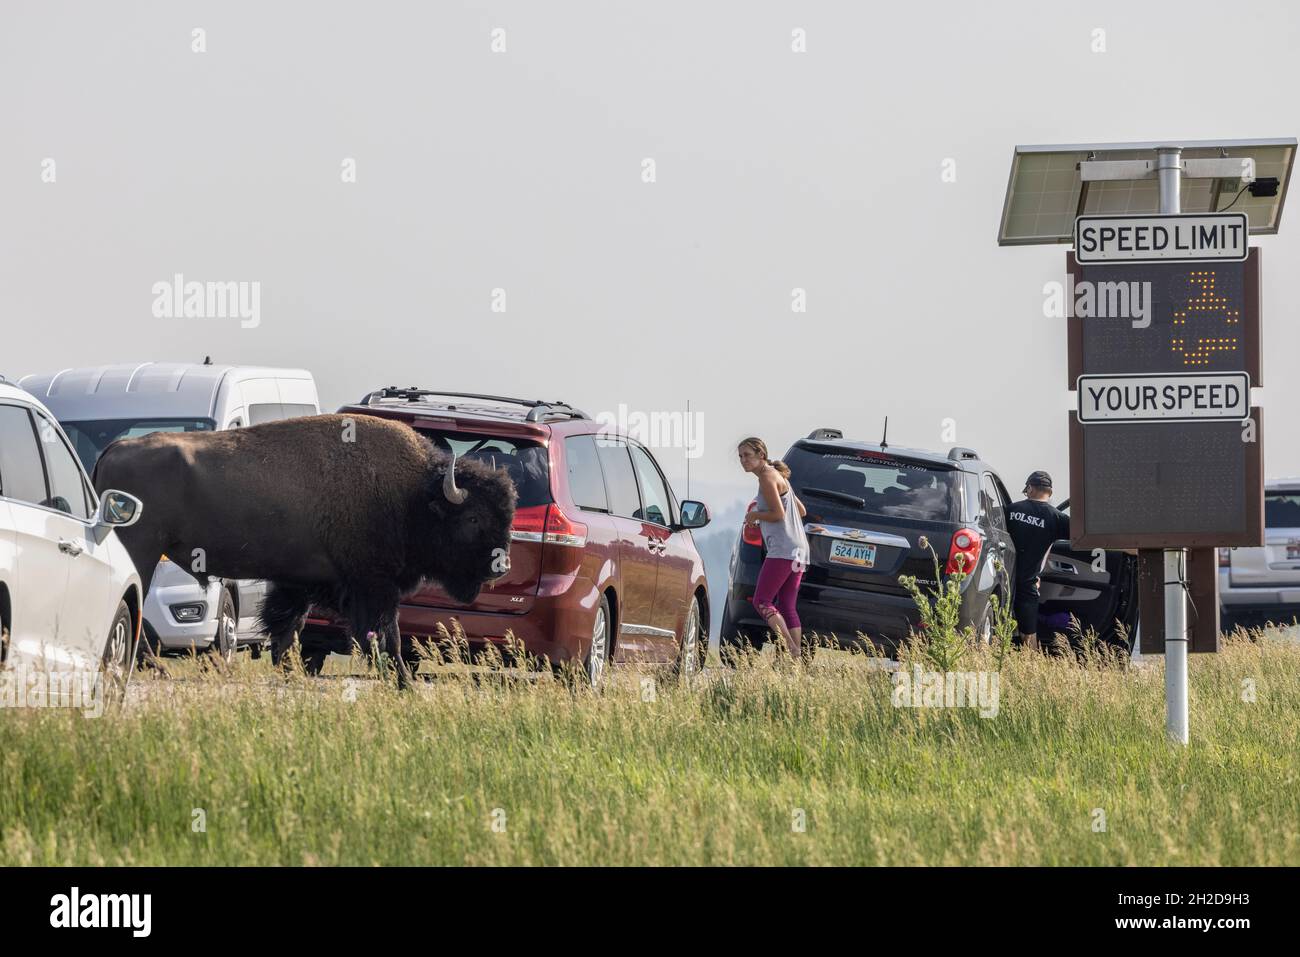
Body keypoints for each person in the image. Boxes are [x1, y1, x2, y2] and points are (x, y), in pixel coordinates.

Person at [737, 437, 811, 659]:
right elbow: (801, 511)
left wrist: (755, 515)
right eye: (740, 456)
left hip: (783, 550)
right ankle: (794, 662)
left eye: (747, 455)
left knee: (762, 601)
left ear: (761, 455)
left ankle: (792, 649)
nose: (743, 460)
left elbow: (778, 514)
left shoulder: (767, 477)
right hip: (800, 550)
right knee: (787, 605)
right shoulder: (779, 477)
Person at [1006, 470, 1071, 651]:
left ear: (1030, 488)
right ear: (1049, 492)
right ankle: (1030, 668)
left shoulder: (1010, 510)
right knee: (1029, 636)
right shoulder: (1057, 518)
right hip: (1028, 585)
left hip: (1002, 580)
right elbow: (1083, 537)